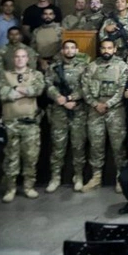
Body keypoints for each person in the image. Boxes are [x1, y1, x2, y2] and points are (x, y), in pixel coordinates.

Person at [80, 38, 128, 193]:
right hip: (95, 110)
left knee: (118, 146)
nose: (106, 51)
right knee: (96, 145)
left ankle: (120, 177)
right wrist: (95, 104)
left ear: (115, 49)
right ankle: (96, 177)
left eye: (110, 48)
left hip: (115, 111)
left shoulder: (122, 66)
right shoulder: (92, 66)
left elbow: (122, 89)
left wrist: (108, 104)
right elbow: (84, 88)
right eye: (104, 48)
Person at [0, 47, 45, 202]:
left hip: (30, 122)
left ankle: (28, 187)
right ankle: (10, 189)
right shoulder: (4, 75)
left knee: (30, 157)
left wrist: (15, 90)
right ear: (13, 59)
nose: (20, 59)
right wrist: (19, 90)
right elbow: (0, 92)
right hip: (10, 122)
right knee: (11, 158)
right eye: (17, 56)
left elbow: (38, 89)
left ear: (27, 59)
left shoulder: (35, 74)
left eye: (23, 56)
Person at [45, 39, 91, 192]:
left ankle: (78, 176)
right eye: (67, 48)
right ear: (62, 51)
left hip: (78, 110)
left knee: (78, 146)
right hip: (59, 111)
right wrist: (61, 100)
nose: (70, 50)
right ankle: (55, 177)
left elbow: (87, 87)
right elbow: (48, 85)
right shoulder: (54, 67)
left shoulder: (84, 68)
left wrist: (71, 98)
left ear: (77, 50)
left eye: (73, 48)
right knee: (58, 147)